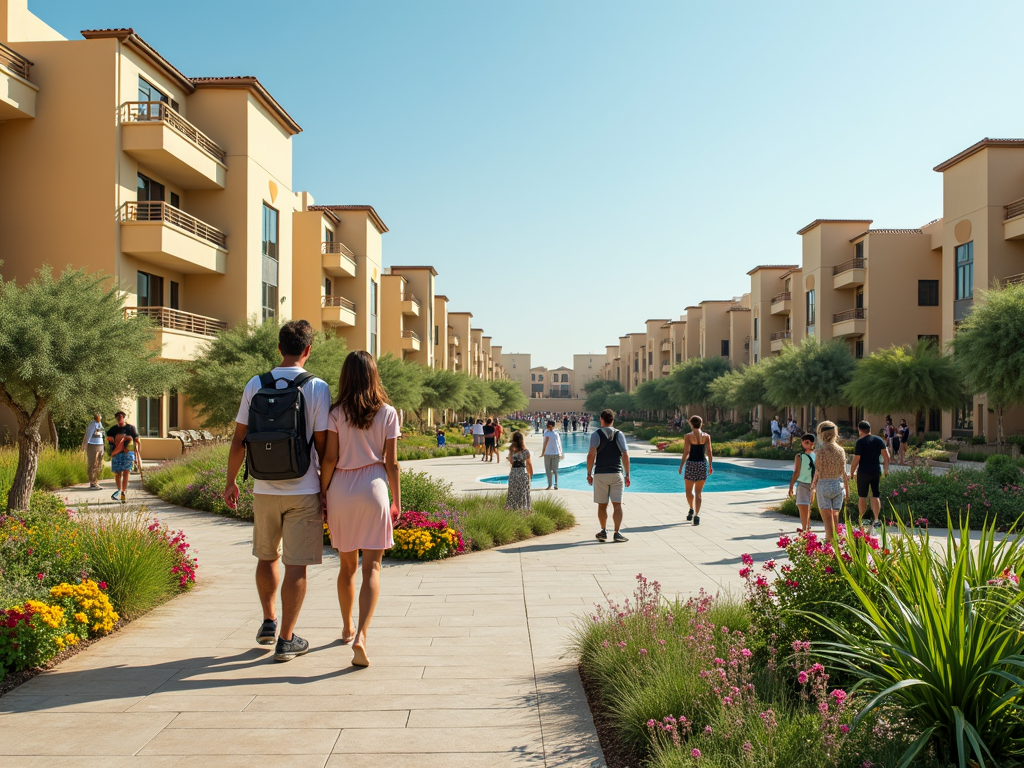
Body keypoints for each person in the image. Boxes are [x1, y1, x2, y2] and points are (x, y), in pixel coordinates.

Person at [223, 320, 330, 662]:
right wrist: (326, 490)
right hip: (303, 487)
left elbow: (239, 440)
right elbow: (326, 448)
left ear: (279, 348)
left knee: (266, 556)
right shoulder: (317, 387)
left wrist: (230, 482)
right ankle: (286, 640)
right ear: (308, 350)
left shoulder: (256, 383)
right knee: (296, 566)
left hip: (264, 487)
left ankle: (269, 621)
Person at [320, 351, 401, 668]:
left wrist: (324, 495)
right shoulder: (388, 413)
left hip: (341, 487)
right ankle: (362, 636)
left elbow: (328, 459)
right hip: (374, 487)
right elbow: (392, 463)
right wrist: (397, 499)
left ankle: (346, 626)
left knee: (346, 567)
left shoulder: (335, 412)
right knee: (373, 568)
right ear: (374, 375)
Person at [587, 408, 631, 542]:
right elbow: (625, 454)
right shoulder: (619, 434)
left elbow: (591, 455)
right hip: (616, 472)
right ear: (612, 420)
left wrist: (589, 473)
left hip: (600, 473)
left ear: (601, 420)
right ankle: (617, 532)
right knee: (617, 504)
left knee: (602, 505)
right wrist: (627, 474)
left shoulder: (596, 435)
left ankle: (603, 531)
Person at [808, 421, 849, 543]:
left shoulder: (819, 453)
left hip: (823, 487)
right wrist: (848, 490)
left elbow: (817, 473)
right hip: (837, 486)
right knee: (835, 521)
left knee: (827, 525)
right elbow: (844, 472)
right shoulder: (840, 451)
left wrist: (812, 488)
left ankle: (829, 548)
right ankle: (838, 549)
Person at [850, 420, 889, 529]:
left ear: (859, 430)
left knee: (862, 496)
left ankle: (861, 520)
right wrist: (886, 470)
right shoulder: (879, 440)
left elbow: (856, 459)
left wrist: (852, 473)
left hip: (863, 471)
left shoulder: (860, 442)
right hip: (875, 470)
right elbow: (886, 457)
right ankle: (876, 519)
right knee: (875, 494)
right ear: (869, 429)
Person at [677, 415, 713, 525]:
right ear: (701, 424)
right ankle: (696, 515)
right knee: (698, 493)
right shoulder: (706, 436)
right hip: (702, 464)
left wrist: (681, 465)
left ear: (691, 424)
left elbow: (686, 452)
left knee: (688, 491)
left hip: (691, 464)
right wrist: (710, 466)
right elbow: (710, 453)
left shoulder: (688, 436)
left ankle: (691, 509)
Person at [106, 411, 140, 503]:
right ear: (116, 418)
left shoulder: (131, 428)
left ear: (124, 418)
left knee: (126, 472)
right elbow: (109, 440)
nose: (120, 418)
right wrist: (112, 442)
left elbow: (137, 441)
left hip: (128, 454)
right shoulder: (112, 429)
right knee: (117, 473)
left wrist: (137, 457)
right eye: (118, 417)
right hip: (117, 453)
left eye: (121, 417)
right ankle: (119, 490)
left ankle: (123, 493)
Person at [787, 433, 816, 533]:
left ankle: (805, 528)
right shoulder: (816, 455)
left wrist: (791, 486)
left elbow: (796, 472)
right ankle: (807, 526)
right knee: (807, 506)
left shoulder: (799, 456)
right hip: (813, 484)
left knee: (802, 505)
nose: (807, 444)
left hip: (804, 483)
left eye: (808, 442)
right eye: (805, 442)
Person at [504, 431, 533, 511]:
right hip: (522, 472)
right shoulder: (526, 451)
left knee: (513, 492)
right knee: (523, 493)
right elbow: (529, 464)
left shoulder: (512, 451)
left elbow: (511, 461)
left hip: (514, 472)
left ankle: (512, 509)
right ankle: (524, 510)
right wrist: (531, 474)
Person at [82, 412, 106, 490]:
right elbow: (88, 434)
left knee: (99, 463)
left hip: (100, 445)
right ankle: (92, 482)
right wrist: (85, 445)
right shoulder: (92, 424)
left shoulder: (100, 424)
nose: (100, 417)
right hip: (93, 445)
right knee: (93, 463)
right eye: (99, 416)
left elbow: (102, 433)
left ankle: (96, 481)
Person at [541, 420, 563, 490]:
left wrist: (560, 453)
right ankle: (551, 484)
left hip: (552, 453)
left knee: (552, 470)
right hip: (551, 453)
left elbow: (546, 444)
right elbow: (558, 444)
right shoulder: (549, 433)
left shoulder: (553, 433)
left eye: (548, 425)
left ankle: (553, 484)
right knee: (551, 470)